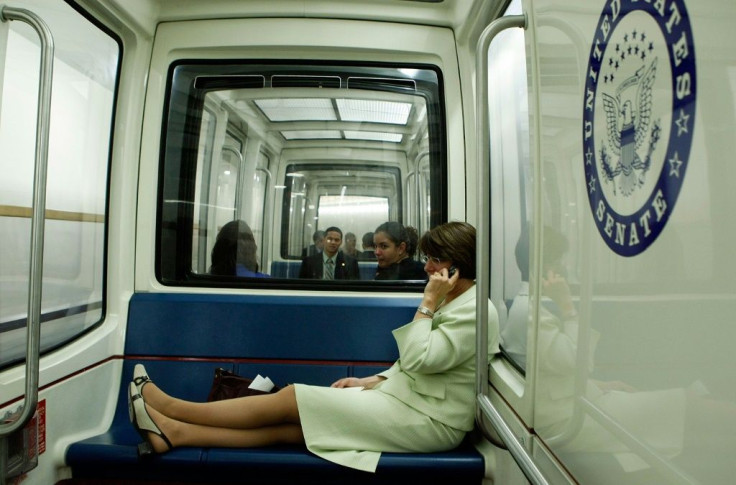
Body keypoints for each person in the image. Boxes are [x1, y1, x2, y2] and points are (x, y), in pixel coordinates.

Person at [128, 221, 500, 473]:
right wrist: (372, 380)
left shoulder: (475, 310)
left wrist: (428, 302)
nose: (427, 268)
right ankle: (177, 433)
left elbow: (422, 359)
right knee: (295, 430)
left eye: (435, 259)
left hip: (429, 422)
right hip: (407, 403)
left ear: (458, 264)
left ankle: (174, 407)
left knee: (291, 399)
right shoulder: (456, 300)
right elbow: (414, 366)